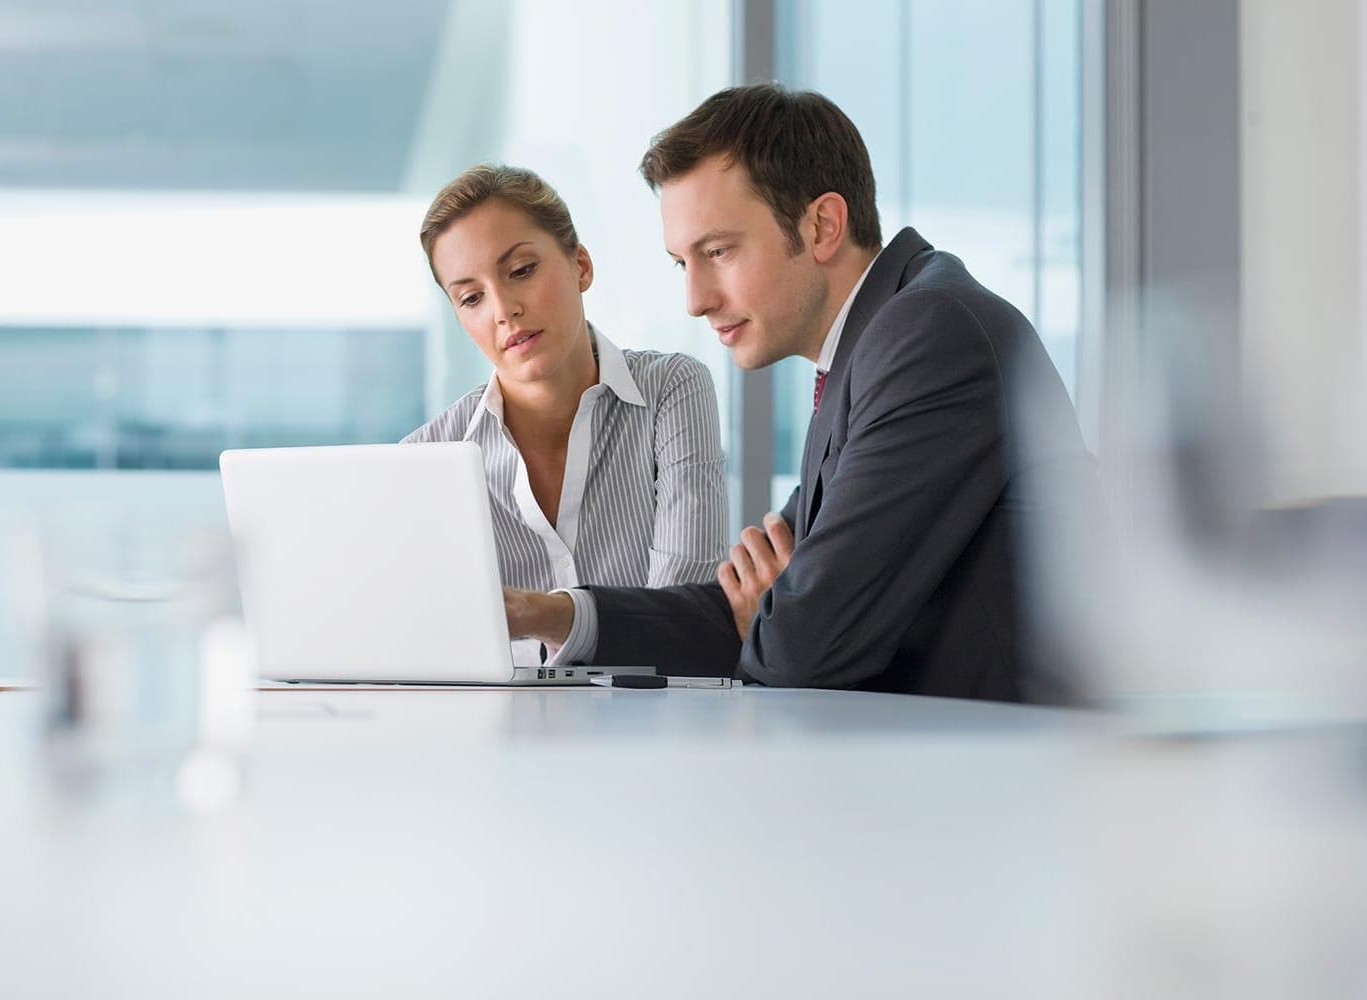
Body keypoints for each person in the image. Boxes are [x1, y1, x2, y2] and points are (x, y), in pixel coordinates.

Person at [503, 85, 1093, 702]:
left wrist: (781, 612)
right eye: (683, 262)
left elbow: (803, 645)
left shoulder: (929, 336)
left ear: (823, 226)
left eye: (719, 251)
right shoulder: (867, 351)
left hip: (1011, 776)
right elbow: (750, 609)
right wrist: (545, 614)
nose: (696, 298)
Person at [405, 164, 728, 663]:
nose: (503, 309)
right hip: (493, 734)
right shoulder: (426, 458)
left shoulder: (672, 391)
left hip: (653, 730)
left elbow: (686, 623)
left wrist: (544, 614)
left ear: (580, 265)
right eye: (471, 297)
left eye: (521, 271)